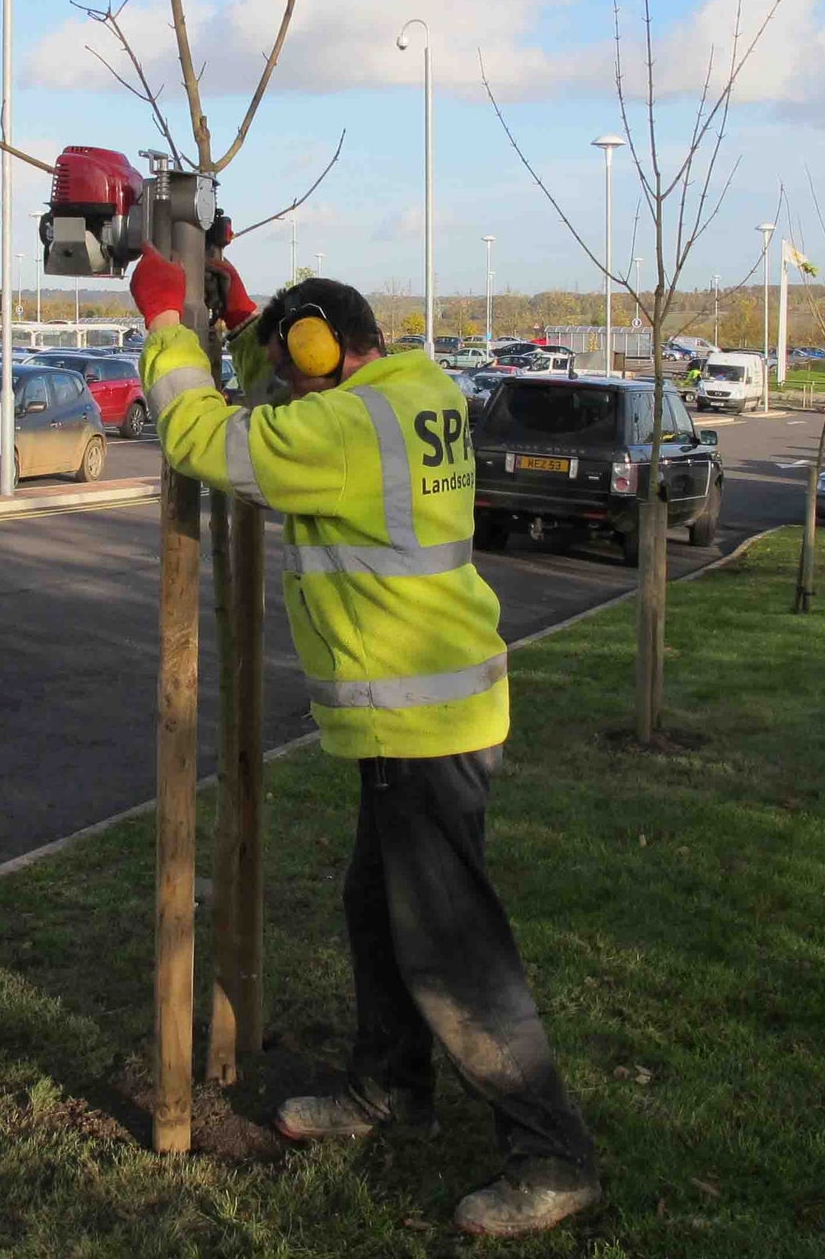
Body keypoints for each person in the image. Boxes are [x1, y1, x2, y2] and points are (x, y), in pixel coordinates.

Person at [129, 243, 599, 1240]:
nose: (286, 395)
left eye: (292, 370)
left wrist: (168, 330)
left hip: (420, 723)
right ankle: (389, 1087)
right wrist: (252, 317)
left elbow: (210, 441)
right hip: (435, 713)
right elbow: (286, 406)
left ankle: (551, 1153)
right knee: (374, 908)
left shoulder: (345, 428)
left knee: (451, 948)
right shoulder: (407, 387)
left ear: (326, 353)